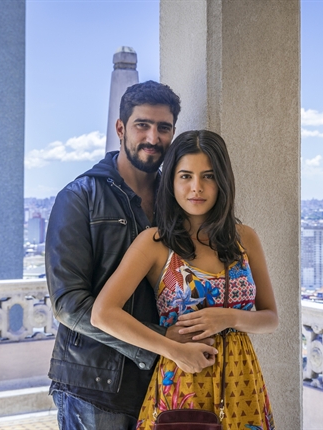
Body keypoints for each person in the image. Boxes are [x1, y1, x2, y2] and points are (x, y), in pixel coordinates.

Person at [46, 81, 218, 430]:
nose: (153, 138)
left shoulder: (178, 200)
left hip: (164, 378)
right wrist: (158, 344)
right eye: (142, 125)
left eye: (164, 128)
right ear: (121, 128)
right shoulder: (79, 197)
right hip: (95, 384)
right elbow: (68, 304)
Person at [91, 129, 278, 430]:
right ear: (172, 181)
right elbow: (103, 314)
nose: (196, 188)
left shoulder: (245, 239)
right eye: (185, 176)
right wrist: (173, 350)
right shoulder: (155, 243)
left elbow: (271, 318)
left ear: (223, 181)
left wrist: (228, 317)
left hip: (244, 385)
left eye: (208, 176)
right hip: (183, 384)